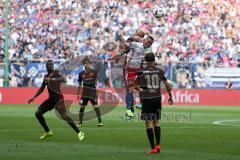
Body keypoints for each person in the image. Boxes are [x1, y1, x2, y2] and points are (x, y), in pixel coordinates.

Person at [28, 60, 84, 141]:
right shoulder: (46, 76)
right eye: (49, 64)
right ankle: (47, 131)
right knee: (38, 113)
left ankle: (79, 132)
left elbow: (64, 79)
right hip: (51, 99)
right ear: (46, 66)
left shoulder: (56, 73)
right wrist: (34, 97)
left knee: (64, 116)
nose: (51, 66)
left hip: (58, 99)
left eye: (52, 64)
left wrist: (54, 79)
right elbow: (41, 88)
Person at [134, 52, 173, 154]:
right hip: (156, 98)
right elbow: (167, 84)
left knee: (148, 123)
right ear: (154, 60)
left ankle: (153, 148)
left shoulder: (141, 72)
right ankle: (158, 144)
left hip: (147, 99)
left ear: (145, 61)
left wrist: (140, 89)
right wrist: (170, 96)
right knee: (156, 121)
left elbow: (135, 85)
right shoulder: (159, 71)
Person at [110, 30, 154, 118]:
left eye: (150, 43)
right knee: (130, 89)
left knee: (145, 87)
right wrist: (120, 53)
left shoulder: (148, 49)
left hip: (139, 69)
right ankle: (129, 110)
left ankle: (141, 105)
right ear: (144, 40)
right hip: (129, 69)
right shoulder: (136, 44)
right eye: (148, 41)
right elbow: (127, 45)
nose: (149, 44)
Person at [77, 57, 103, 127]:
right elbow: (79, 84)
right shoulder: (81, 73)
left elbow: (96, 81)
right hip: (84, 93)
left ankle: (100, 122)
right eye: (85, 63)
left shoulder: (94, 72)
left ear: (90, 64)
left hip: (92, 93)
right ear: (83, 64)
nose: (86, 64)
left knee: (95, 107)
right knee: (82, 107)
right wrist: (78, 93)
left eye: (87, 63)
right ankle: (80, 123)